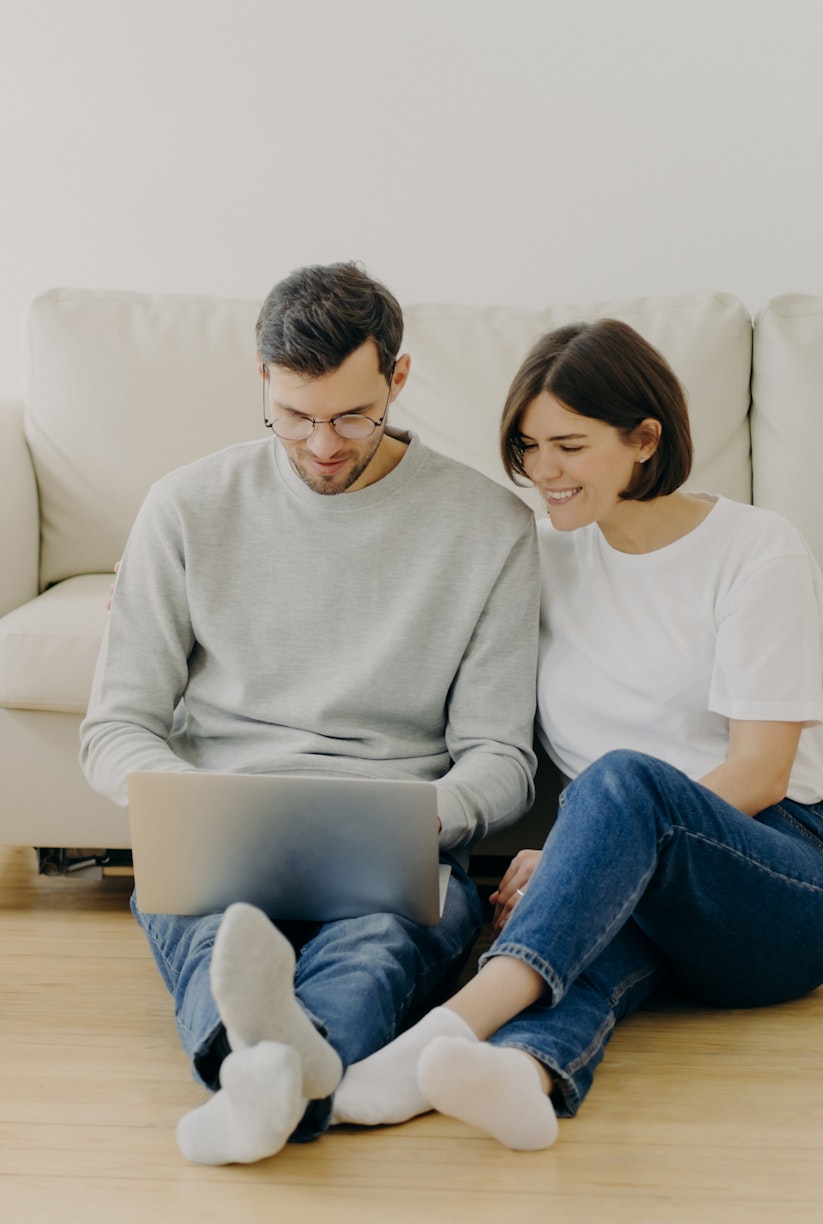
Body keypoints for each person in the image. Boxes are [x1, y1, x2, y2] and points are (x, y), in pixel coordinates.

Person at [331, 317, 823, 1150]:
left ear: (644, 439)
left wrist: (588, 841)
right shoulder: (539, 555)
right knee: (585, 941)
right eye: (529, 447)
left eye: (569, 447)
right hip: (636, 890)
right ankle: (523, 1077)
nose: (543, 472)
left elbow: (759, 771)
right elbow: (391, 594)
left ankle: (441, 1034)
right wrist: (171, 599)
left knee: (619, 780)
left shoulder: (757, 550)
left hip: (779, 883)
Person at [79, 262, 539, 1165]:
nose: (322, 444)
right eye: (294, 416)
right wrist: (189, 804)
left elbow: (500, 755)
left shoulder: (489, 527)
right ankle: (279, 1078)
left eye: (351, 416)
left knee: (377, 948)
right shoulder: (185, 506)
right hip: (220, 823)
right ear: (262, 379)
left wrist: (425, 817)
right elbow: (116, 726)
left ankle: (253, 1085)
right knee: (210, 932)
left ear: (398, 380)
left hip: (394, 839)